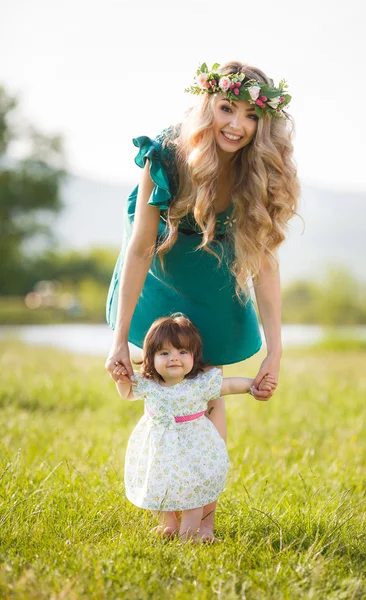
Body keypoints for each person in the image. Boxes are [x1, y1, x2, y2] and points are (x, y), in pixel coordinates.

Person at [105, 61, 301, 541]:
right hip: (161, 276)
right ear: (207, 104)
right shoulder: (166, 156)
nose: (236, 125)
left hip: (217, 284)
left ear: (265, 123)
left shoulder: (262, 169)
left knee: (207, 394)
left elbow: (266, 266)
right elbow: (139, 246)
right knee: (165, 401)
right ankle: (166, 510)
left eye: (251, 116)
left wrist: (276, 350)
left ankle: (203, 517)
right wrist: (116, 341)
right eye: (226, 109)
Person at [113, 314, 276, 542]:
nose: (174, 358)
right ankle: (169, 524)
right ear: (150, 357)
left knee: (193, 493)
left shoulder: (199, 384)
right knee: (154, 486)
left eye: (182, 352)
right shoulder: (148, 384)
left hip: (194, 449)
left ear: (193, 356)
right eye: (164, 353)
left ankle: (189, 536)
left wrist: (253, 385)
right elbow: (128, 393)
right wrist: (121, 379)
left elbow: (229, 385)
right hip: (158, 449)